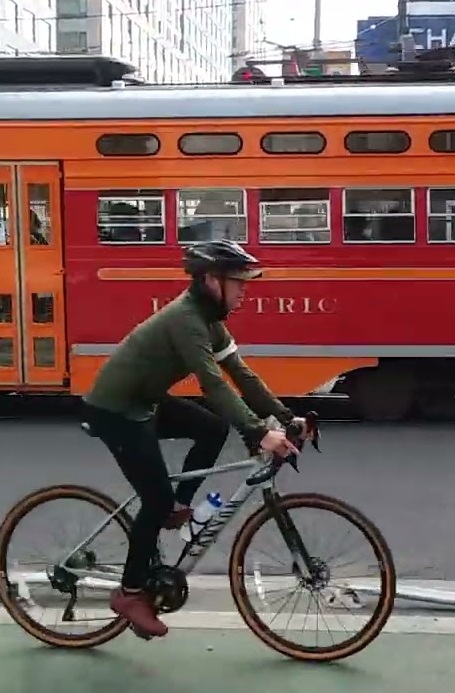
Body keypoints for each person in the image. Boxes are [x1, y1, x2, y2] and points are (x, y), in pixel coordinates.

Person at [81, 238, 311, 639]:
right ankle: (130, 593)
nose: (244, 291)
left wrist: (287, 417)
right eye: (238, 283)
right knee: (153, 499)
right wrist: (258, 431)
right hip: (115, 409)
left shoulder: (210, 323)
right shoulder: (185, 319)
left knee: (212, 428)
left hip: (145, 402)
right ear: (210, 281)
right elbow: (213, 386)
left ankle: (179, 505)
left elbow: (242, 377)